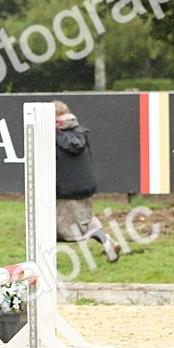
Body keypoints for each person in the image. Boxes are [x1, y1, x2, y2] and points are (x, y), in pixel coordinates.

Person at [53, 101, 120, 262]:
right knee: (85, 220)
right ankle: (108, 242)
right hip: (85, 187)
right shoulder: (81, 132)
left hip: (66, 190)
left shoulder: (54, 135)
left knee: (62, 230)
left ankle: (45, 263)